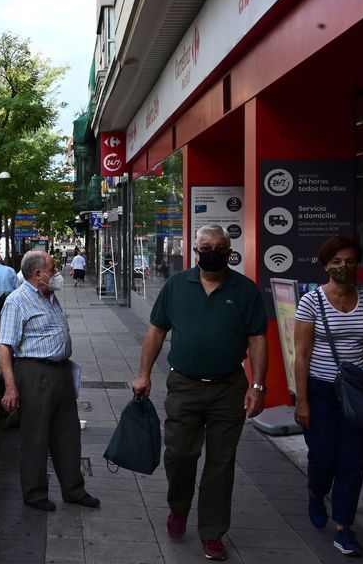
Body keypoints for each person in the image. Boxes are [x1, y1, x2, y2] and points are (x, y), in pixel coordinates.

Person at [132, 223, 267, 562]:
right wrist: (143, 374)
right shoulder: (176, 286)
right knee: (179, 454)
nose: (212, 253)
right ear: (195, 251)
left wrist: (258, 385)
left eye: (219, 248)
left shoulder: (245, 290)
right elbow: (156, 332)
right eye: (206, 247)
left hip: (228, 388)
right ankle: (178, 507)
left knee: (221, 464)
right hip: (184, 385)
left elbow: (257, 340)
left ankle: (212, 531)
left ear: (229, 250)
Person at [292, 235, 363, 557]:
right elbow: (302, 354)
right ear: (325, 266)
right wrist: (302, 401)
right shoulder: (311, 302)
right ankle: (316, 492)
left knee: (353, 462)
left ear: (357, 264)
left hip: (360, 391)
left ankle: (343, 527)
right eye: (336, 262)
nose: (343, 267)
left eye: (349, 261)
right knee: (323, 457)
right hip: (321, 392)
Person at [0, 251, 100, 512]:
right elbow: (4, 346)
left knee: (67, 432)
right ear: (37, 273)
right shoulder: (17, 301)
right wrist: (11, 387)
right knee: (36, 435)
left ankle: (73, 489)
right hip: (34, 373)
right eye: (53, 269)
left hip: (60, 372)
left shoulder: (48, 296)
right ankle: (34, 493)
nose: (57, 274)